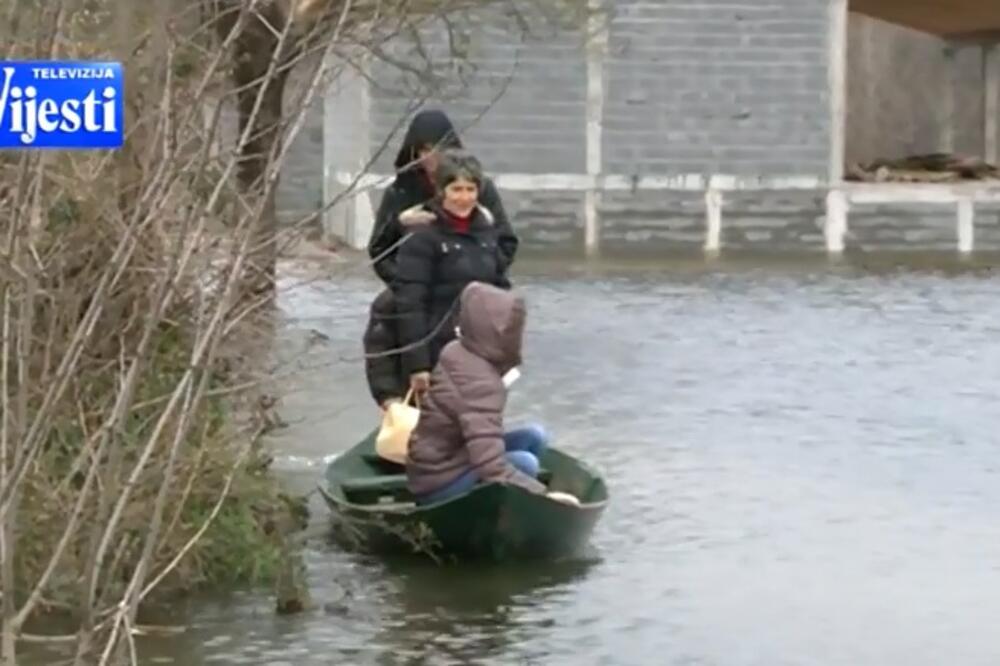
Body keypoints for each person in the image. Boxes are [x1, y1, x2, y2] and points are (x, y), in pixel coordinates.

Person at [362, 109, 516, 410]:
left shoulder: (481, 191)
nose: (431, 157)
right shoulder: (401, 191)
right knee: (397, 324)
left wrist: (480, 273)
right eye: (424, 150)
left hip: (472, 291)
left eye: (438, 149)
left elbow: (506, 243)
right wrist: (409, 282)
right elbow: (379, 249)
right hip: (413, 287)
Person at [405, 281, 580, 507]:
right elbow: (489, 465)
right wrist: (542, 495)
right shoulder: (481, 382)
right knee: (525, 463)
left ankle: (513, 503)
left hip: (436, 464)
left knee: (535, 435)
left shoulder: (456, 350)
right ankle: (515, 510)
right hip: (438, 482)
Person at [392, 150, 515, 396]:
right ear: (441, 190)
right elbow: (410, 304)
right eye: (456, 189)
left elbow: (500, 291)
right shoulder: (421, 236)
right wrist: (418, 365)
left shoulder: (487, 235)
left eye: (471, 189)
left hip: (482, 353)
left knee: (481, 419)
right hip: (438, 351)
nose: (464, 198)